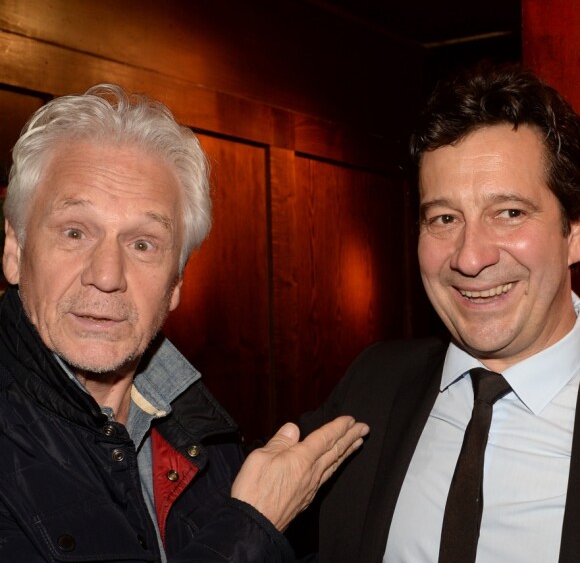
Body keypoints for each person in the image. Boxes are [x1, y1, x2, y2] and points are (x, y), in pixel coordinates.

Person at [0, 84, 369, 562]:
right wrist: (252, 525)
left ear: (176, 282)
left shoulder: (200, 430)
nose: (107, 276)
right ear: (14, 251)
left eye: (143, 244)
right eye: (75, 232)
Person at [294, 62, 580, 562]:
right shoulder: (375, 385)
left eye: (509, 212)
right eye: (444, 218)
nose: (470, 257)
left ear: (573, 232)